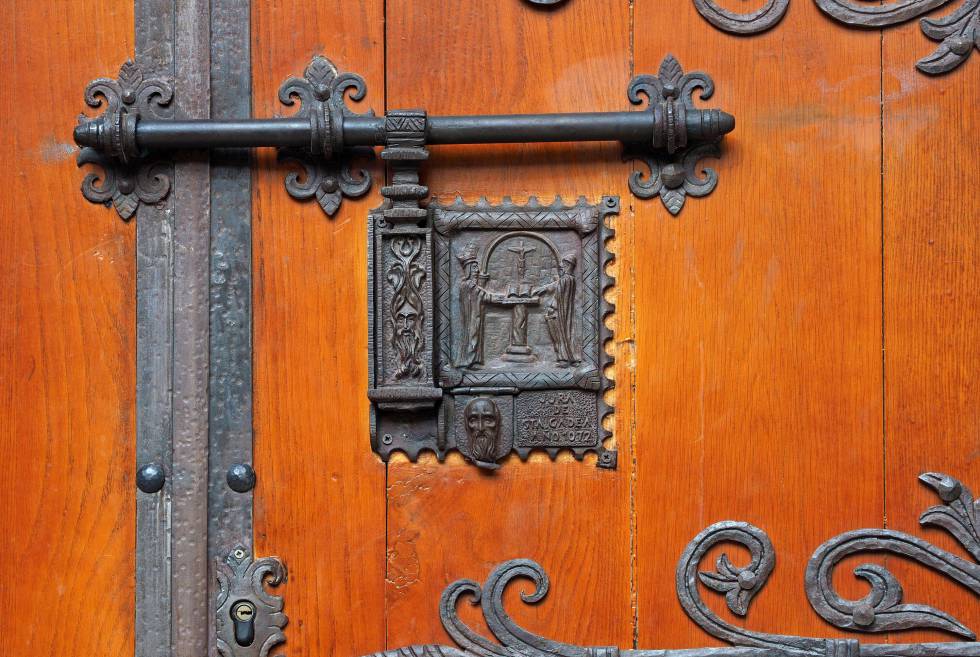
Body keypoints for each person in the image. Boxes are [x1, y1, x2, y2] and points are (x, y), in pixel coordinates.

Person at [532, 254, 579, 367]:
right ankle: (571, 358)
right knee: (564, 334)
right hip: (560, 312)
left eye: (563, 264)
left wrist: (552, 308)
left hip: (557, 313)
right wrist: (542, 289)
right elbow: (555, 285)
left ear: (568, 265)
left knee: (559, 335)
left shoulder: (565, 280)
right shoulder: (569, 279)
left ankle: (563, 359)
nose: (561, 266)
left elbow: (558, 296)